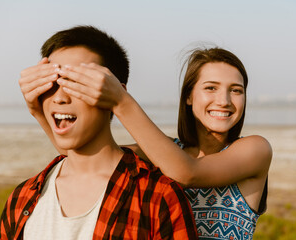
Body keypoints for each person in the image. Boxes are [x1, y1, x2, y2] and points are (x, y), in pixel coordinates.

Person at [21, 44, 272, 238]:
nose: (224, 100)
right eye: (211, 88)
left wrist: (121, 101)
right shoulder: (165, 152)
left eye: (236, 90)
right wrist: (37, 111)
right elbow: (81, 156)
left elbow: (188, 172)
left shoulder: (255, 149)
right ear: (188, 96)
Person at [0, 25, 198, 240]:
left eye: (76, 82)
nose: (59, 98)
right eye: (51, 83)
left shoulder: (158, 198)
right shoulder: (22, 199)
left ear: (112, 91)